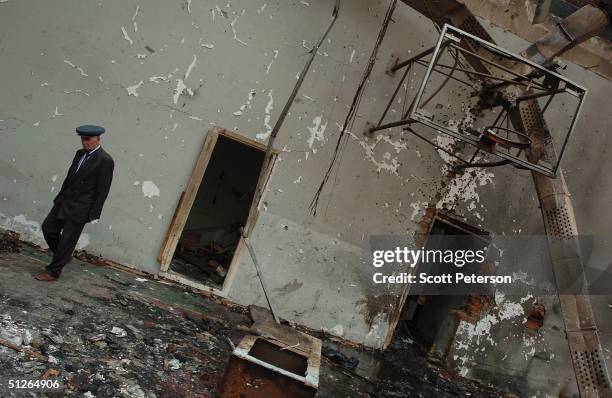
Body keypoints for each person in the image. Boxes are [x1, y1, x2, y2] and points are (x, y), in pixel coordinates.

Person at [35, 125, 114, 281]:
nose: (85, 142)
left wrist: (94, 213)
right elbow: (70, 178)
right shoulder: (79, 154)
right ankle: (63, 257)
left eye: (88, 139)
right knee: (48, 227)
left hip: (81, 206)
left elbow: (103, 190)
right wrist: (59, 197)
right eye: (82, 139)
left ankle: (53, 272)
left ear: (98, 139)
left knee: (67, 241)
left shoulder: (105, 160)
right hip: (64, 201)